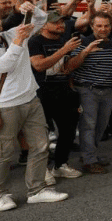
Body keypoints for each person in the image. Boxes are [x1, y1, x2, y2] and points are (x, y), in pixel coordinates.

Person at [0, 0, 68, 211]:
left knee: (40, 146)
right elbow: (3, 66)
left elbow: (40, 20)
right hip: (3, 105)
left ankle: (36, 191)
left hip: (31, 100)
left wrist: (31, 9)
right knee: (3, 152)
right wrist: (19, 40)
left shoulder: (10, 35)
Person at [28, 11, 83, 179]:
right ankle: (42, 170)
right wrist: (64, 50)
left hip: (64, 90)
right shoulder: (35, 41)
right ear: (44, 25)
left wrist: (85, 52)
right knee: (41, 136)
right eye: (56, 22)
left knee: (68, 131)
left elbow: (68, 67)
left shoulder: (63, 41)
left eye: (62, 22)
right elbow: (38, 65)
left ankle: (60, 164)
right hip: (41, 92)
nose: (61, 25)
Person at [66, 13, 112, 175]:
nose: (103, 29)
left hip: (107, 90)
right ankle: (89, 160)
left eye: (106, 26)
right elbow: (69, 66)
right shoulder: (82, 42)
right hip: (86, 90)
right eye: (99, 26)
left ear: (111, 27)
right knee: (88, 126)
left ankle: (89, 155)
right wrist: (86, 52)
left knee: (101, 126)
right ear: (92, 26)